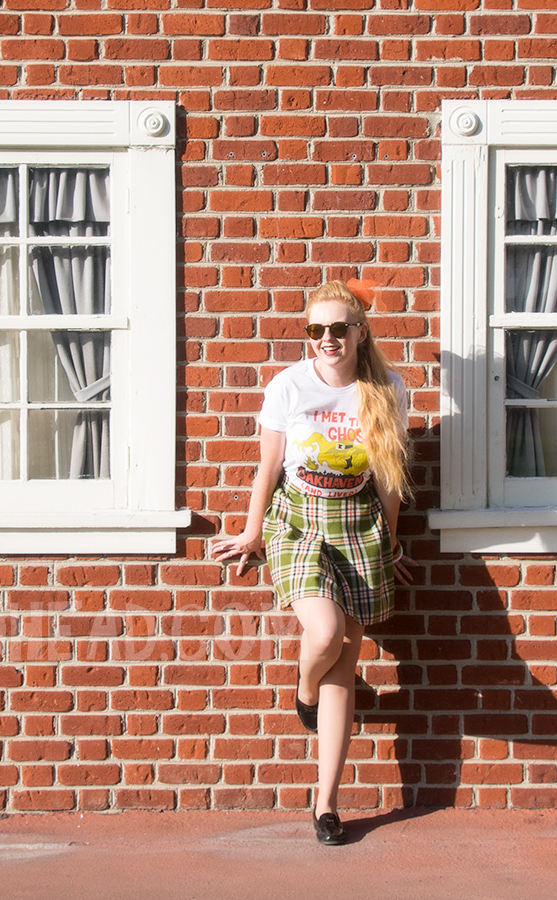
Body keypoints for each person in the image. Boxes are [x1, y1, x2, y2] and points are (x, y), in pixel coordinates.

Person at [210, 278, 417, 846]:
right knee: (324, 633)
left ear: (360, 332)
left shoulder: (387, 388)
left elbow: (390, 483)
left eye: (339, 328)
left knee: (345, 663)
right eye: (316, 329)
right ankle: (303, 691)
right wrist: (252, 531)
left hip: (357, 526)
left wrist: (391, 544)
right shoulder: (290, 386)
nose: (327, 338)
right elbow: (268, 467)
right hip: (298, 522)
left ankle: (326, 804)